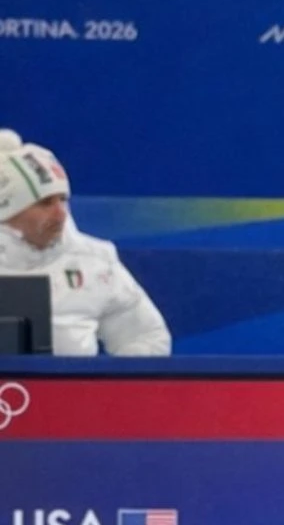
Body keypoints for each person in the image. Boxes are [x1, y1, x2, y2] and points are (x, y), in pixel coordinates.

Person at [0, 129, 171, 356]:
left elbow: (146, 336)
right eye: (45, 203)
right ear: (8, 212)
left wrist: (112, 388)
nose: (60, 214)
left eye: (63, 200)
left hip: (70, 392)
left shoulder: (94, 261)